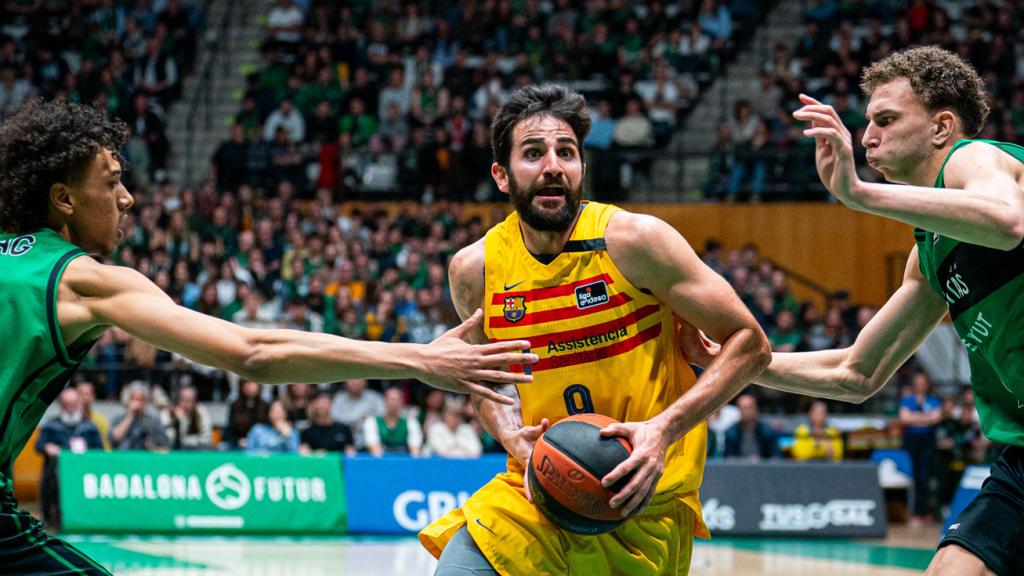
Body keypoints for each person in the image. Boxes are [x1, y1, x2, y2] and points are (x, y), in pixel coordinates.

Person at [0, 100, 537, 574]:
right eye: (112, 181)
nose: (128, 199)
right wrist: (421, 359)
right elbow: (252, 353)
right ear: (64, 199)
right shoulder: (81, 279)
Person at [681, 46, 1024, 576]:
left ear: (942, 127)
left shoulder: (974, 158)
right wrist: (735, 363)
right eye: (868, 123)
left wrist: (860, 195)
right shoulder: (929, 254)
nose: (867, 137)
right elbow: (856, 372)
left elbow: (1006, 221)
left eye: (886, 120)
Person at [420, 85, 770, 576]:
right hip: (535, 494)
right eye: (533, 153)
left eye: (567, 152)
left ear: (582, 168)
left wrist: (661, 431)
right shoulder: (475, 270)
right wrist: (508, 433)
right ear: (501, 175)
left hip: (643, 506)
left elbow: (752, 344)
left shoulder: (634, 241)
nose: (553, 166)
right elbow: (488, 378)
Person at [35, 388, 103, 530]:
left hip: (84, 471)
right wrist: (48, 447)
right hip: (57, 473)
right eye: (67, 404)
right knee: (50, 473)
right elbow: (39, 446)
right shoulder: (51, 425)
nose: (72, 407)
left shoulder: (89, 426)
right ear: (61, 405)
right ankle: (51, 518)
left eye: (74, 403)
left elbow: (99, 450)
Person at [363, 386, 423, 456]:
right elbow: (374, 450)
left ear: (402, 402)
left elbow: (415, 452)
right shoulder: (371, 422)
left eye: (397, 400)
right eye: (391, 399)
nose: (394, 403)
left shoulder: (412, 423)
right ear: (384, 401)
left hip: (404, 464)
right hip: (380, 463)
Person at [722, 393, 779, 460]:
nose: (747, 411)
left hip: (763, 468)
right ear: (738, 410)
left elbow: (776, 458)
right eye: (744, 408)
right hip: (739, 468)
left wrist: (761, 461)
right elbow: (728, 458)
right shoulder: (730, 432)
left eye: (750, 407)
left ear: (756, 408)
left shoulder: (768, 431)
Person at [160, 384, 213, 450]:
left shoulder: (201, 411)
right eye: (184, 400)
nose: (187, 404)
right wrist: (181, 420)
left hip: (196, 452)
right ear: (178, 399)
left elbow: (206, 439)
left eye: (191, 400)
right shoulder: (167, 413)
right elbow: (170, 439)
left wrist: (187, 441)